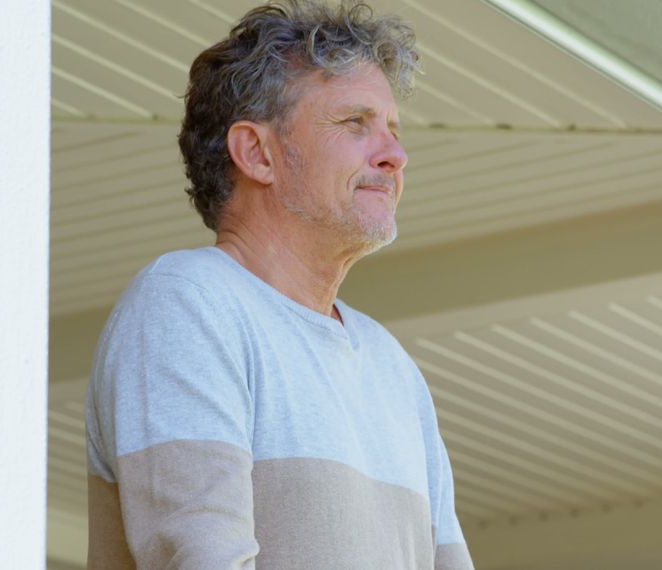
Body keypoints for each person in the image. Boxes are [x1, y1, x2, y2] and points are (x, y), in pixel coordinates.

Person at [84, 1, 474, 568]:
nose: (395, 155)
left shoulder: (394, 369)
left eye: (392, 128)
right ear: (257, 153)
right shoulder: (187, 302)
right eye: (354, 123)